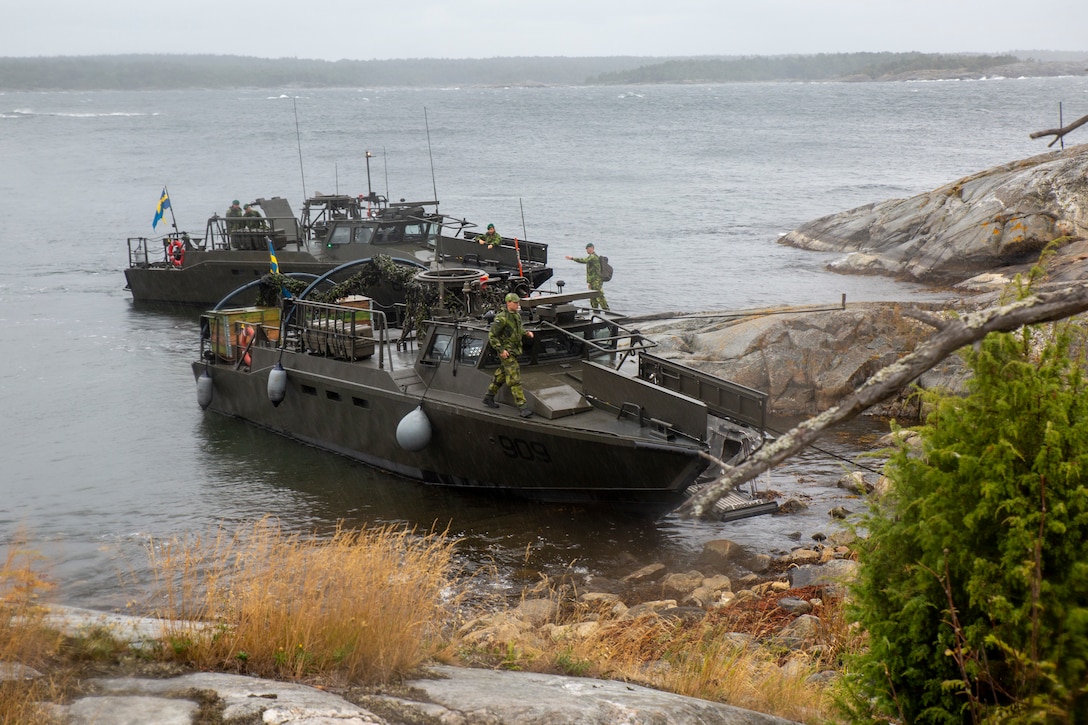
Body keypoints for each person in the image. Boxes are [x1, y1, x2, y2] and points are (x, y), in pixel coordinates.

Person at [483, 292, 535, 418]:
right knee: (514, 377)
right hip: (506, 353)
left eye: (518, 302)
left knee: (501, 374)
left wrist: (526, 333)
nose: (518, 305)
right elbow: (492, 336)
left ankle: (488, 397)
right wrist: (501, 350)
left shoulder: (516, 316)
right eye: (515, 303)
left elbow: (517, 329)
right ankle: (522, 407)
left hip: (514, 350)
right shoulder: (501, 318)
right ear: (508, 303)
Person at [565, 242, 610, 311]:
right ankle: (595, 310)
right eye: (586, 249)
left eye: (588, 249)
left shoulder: (593, 257)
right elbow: (590, 272)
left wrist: (572, 258)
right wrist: (589, 282)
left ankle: (606, 309)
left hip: (596, 280)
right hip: (592, 280)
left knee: (599, 295)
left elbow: (584, 260)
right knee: (592, 296)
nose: (587, 250)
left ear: (592, 248)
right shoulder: (591, 256)